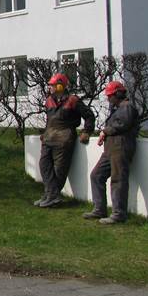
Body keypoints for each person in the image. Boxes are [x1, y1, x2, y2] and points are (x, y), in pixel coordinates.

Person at [83, 81, 140, 224]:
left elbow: (122, 124)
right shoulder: (119, 108)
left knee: (118, 180)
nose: (108, 99)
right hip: (110, 149)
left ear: (118, 94)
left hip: (121, 147)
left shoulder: (127, 107)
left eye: (110, 96)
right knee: (96, 175)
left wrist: (105, 131)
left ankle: (119, 214)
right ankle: (99, 209)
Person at [35, 73, 95, 208]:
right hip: (49, 137)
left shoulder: (73, 100)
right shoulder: (49, 100)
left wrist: (87, 131)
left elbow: (89, 115)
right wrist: (45, 132)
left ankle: (51, 196)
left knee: (59, 170)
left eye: (52, 85)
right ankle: (51, 195)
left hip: (64, 138)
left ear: (60, 85)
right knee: (44, 165)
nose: (50, 87)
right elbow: (49, 120)